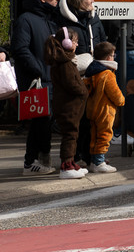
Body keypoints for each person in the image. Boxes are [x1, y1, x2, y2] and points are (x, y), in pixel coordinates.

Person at [12, 0, 65, 175]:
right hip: (36, 80)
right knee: (39, 121)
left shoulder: (49, 19)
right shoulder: (26, 20)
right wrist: (39, 70)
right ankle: (30, 162)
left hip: (48, 78)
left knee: (44, 121)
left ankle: (37, 159)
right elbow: (20, 49)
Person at [45, 28, 89, 178]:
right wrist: (84, 91)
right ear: (67, 43)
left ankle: (70, 163)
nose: (76, 44)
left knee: (72, 134)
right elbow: (71, 83)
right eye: (75, 41)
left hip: (69, 105)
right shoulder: (64, 62)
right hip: (67, 105)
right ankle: (66, 166)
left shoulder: (65, 59)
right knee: (70, 135)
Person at [84, 41, 124, 173]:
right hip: (105, 110)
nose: (114, 57)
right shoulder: (107, 74)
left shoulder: (92, 71)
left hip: (92, 109)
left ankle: (94, 161)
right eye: (113, 55)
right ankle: (99, 162)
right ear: (108, 57)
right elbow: (116, 94)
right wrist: (122, 100)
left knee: (94, 136)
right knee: (105, 135)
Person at [59, 0, 106, 71]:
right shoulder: (62, 21)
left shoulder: (94, 18)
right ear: (79, 1)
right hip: (73, 71)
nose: (93, 1)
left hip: (96, 69)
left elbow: (103, 41)